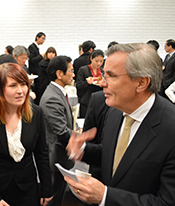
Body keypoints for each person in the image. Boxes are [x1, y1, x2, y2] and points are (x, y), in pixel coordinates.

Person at [65, 43, 175, 206]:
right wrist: (83, 150)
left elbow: (167, 202)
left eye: (111, 76)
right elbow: (116, 154)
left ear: (141, 83)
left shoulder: (170, 127)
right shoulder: (116, 110)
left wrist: (105, 197)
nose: (102, 83)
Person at [0, 63, 53, 206]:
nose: (20, 91)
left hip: (28, 188)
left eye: (23, 84)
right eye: (13, 86)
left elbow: (41, 153)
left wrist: (47, 188)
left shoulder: (35, 113)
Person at [39, 56, 74, 206]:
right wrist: (82, 136)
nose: (73, 74)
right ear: (60, 74)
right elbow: (61, 132)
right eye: (71, 71)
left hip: (59, 155)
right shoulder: (52, 97)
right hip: (56, 157)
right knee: (54, 199)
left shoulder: (57, 92)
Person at [76, 49, 104, 118]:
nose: (99, 64)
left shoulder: (103, 71)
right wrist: (87, 83)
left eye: (101, 61)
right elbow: (78, 85)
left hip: (100, 101)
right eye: (96, 61)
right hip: (86, 101)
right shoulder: (83, 70)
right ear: (91, 58)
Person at [28, 32, 46, 104]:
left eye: (44, 39)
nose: (43, 41)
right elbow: (32, 60)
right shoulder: (32, 47)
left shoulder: (36, 47)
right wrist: (41, 56)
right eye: (43, 38)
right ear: (37, 38)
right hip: (34, 72)